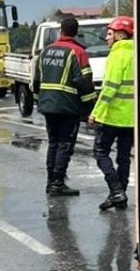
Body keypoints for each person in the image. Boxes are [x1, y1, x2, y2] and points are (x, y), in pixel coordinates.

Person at [33, 17, 96, 197]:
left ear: (61, 31)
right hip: (68, 106)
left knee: (53, 142)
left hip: (48, 105)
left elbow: (37, 80)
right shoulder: (78, 52)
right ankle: (58, 183)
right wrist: (90, 107)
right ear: (76, 32)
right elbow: (83, 82)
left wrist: (40, 101)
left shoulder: (45, 51)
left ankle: (50, 181)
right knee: (65, 143)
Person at [90, 16, 135, 211]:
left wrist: (95, 113)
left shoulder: (118, 55)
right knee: (123, 157)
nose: (107, 38)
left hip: (113, 116)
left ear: (119, 35)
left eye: (109, 34)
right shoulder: (136, 53)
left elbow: (110, 88)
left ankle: (116, 190)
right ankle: (120, 196)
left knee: (100, 153)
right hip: (131, 118)